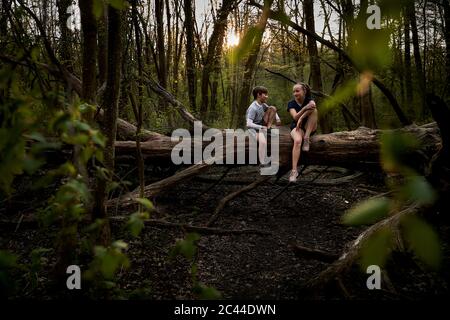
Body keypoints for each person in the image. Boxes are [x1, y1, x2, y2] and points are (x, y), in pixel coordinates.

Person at [287, 83, 318, 182]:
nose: (295, 93)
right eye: (294, 91)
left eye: (297, 91)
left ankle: (307, 138)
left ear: (304, 91)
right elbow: (295, 117)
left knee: (315, 110)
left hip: (309, 126)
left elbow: (312, 106)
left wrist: (302, 117)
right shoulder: (291, 103)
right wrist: (304, 110)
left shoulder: (309, 100)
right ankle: (294, 171)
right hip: (297, 127)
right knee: (297, 141)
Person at [246, 86, 281, 166]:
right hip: (253, 129)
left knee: (272, 108)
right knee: (263, 142)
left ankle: (268, 129)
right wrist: (261, 127)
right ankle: (262, 162)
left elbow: (272, 109)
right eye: (265, 94)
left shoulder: (262, 104)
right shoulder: (253, 108)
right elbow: (248, 123)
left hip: (261, 125)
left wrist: (278, 119)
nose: (267, 96)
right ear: (259, 95)